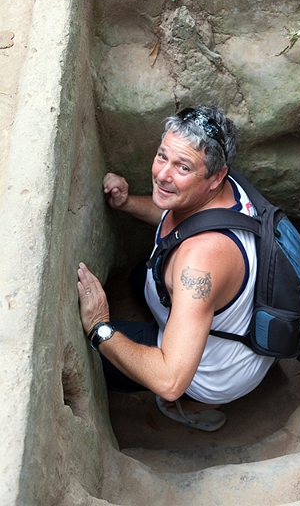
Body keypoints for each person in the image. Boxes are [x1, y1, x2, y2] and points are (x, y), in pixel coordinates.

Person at [77, 105, 275, 431]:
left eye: (182, 167)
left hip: (214, 371)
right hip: (233, 330)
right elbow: (181, 220)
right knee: (141, 275)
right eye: (162, 156)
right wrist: (127, 203)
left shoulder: (200, 264)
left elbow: (170, 380)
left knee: (93, 350)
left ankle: (195, 406)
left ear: (216, 177)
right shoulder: (224, 189)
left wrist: (100, 327)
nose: (162, 174)